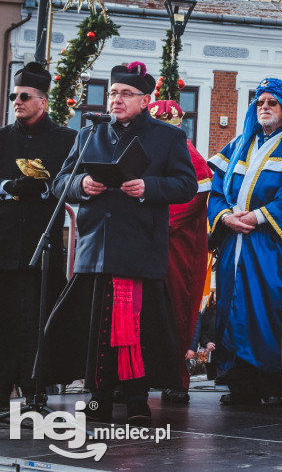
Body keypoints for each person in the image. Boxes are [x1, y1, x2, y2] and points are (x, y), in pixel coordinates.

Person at [38, 61, 198, 423]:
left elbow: (186, 186)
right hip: (96, 247)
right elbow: (60, 182)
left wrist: (148, 187)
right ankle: (98, 399)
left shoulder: (168, 137)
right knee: (96, 329)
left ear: (145, 100)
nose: (116, 100)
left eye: (126, 94)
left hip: (140, 247)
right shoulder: (89, 133)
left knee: (136, 328)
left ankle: (138, 401)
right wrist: (81, 186)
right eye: (112, 93)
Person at [208, 77, 282, 407]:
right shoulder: (240, 144)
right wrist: (224, 216)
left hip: (269, 247)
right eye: (260, 102)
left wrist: (257, 217)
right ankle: (238, 383)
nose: (264, 107)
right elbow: (216, 189)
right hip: (233, 246)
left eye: (272, 102)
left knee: (267, 311)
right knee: (229, 308)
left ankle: (271, 383)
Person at [0, 63, 77, 402]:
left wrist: (46, 190)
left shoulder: (67, 140)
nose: (17, 101)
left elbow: (73, 184)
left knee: (37, 319)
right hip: (3, 244)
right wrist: (7, 186)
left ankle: (34, 391)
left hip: (41, 247)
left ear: (43, 102)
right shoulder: (2, 139)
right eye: (14, 96)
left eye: (25, 96)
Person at [149, 99, 213, 404]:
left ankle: (176, 378)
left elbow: (192, 200)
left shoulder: (189, 154)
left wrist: (150, 224)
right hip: (147, 246)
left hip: (176, 251)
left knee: (176, 311)